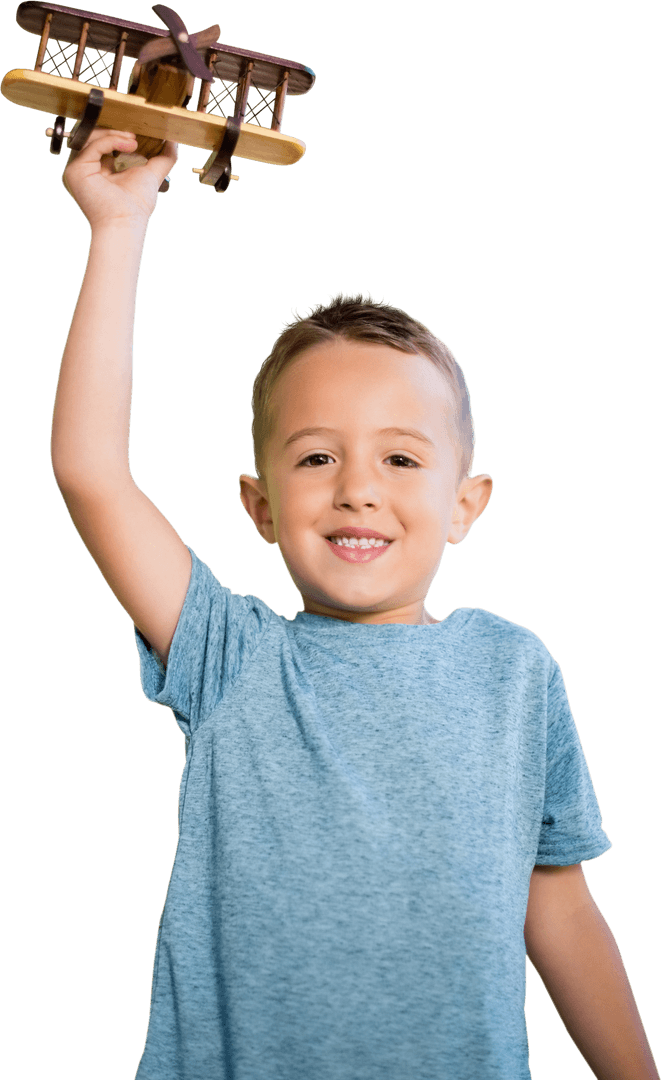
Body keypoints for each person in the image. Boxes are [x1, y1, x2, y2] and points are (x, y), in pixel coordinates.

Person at [51, 129, 659, 1080]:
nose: (357, 489)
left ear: (466, 505)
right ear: (260, 508)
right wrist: (119, 225)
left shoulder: (514, 670)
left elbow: (559, 903)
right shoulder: (231, 657)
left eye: (402, 459)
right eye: (316, 456)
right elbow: (90, 471)